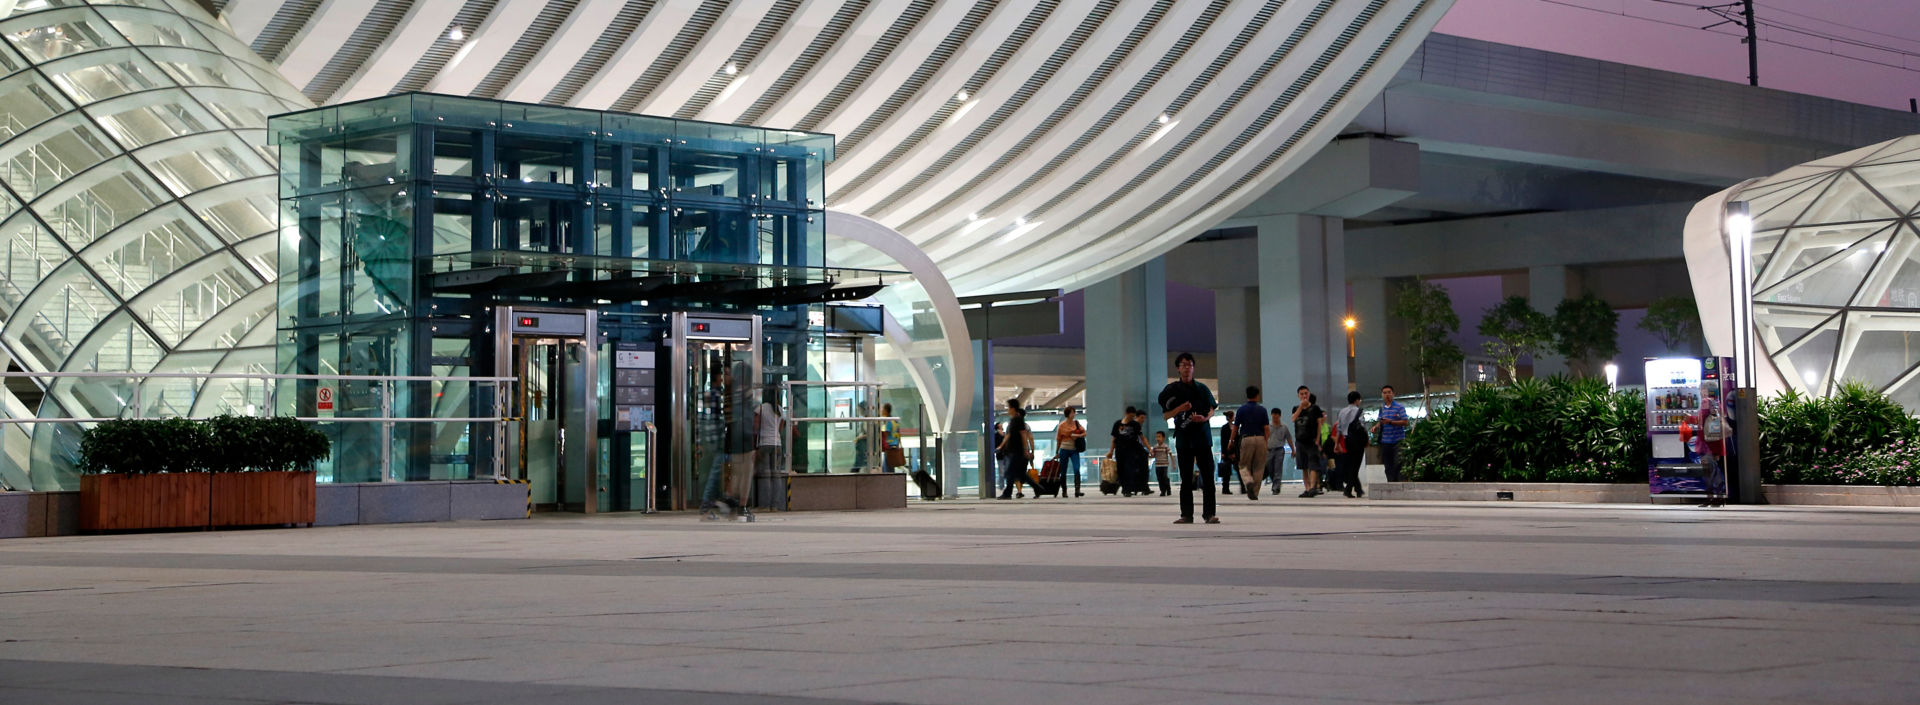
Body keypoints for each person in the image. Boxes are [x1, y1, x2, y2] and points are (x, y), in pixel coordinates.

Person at [1158, 352, 1219, 524]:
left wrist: (1204, 418)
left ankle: (1209, 514)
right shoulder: (1172, 390)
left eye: (1190, 365)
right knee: (1186, 478)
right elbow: (1165, 416)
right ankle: (1186, 514)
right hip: (1184, 439)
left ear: (1193, 368)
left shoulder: (1202, 389)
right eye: (1183, 365)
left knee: (1207, 476)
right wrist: (1180, 408)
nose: (1187, 368)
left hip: (1202, 438)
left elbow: (1212, 408)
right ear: (1178, 368)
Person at [995, 399, 1038, 500]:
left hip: (1018, 451)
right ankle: (1037, 488)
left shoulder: (1018, 420)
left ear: (1013, 408)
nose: (1008, 410)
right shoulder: (1013, 420)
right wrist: (1001, 446)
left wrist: (1026, 450)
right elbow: (1008, 435)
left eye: (1008, 407)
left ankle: (1007, 493)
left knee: (1010, 473)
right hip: (1013, 451)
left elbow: (1024, 435)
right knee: (1019, 474)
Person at [1234, 387, 1270, 500]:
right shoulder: (1262, 410)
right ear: (1257, 395)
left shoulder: (1241, 410)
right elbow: (1267, 429)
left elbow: (1235, 428)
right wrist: (1265, 442)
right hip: (1260, 438)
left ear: (1247, 395)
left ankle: (1248, 481)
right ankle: (1254, 492)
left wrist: (1231, 441)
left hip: (1246, 438)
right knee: (1259, 467)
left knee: (1243, 465)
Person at [1692, 391, 1728, 507]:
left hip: (1706, 443)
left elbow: (1701, 421)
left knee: (1708, 472)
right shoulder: (1718, 404)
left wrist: (1690, 419)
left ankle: (1712, 497)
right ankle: (1718, 497)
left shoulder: (1706, 402)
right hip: (1715, 442)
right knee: (1713, 470)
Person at [1291, 385, 1326, 498]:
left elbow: (1319, 424)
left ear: (1309, 394)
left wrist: (1317, 439)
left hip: (1311, 441)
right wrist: (1300, 408)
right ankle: (1307, 488)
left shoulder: (1315, 408)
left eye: (1306, 393)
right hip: (1300, 440)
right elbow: (1293, 419)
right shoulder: (1296, 408)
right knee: (1303, 466)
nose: (1304, 396)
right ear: (1298, 395)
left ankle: (1312, 488)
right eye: (1302, 394)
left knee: (1313, 465)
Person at [1107, 406, 1150, 496]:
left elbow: (1142, 438)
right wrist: (1111, 451)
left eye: (1133, 417)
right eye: (1130, 416)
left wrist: (1149, 448)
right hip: (1119, 450)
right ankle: (1124, 488)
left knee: (1129, 469)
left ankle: (1128, 489)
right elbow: (1114, 439)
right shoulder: (1117, 424)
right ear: (1126, 414)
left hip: (1131, 450)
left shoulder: (1135, 425)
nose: (1131, 418)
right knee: (1121, 469)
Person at [1373, 385, 1410, 482]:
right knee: (1387, 465)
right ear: (1382, 395)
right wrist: (1376, 427)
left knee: (1398, 463)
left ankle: (1399, 483)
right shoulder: (1382, 409)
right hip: (1385, 441)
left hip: (1398, 440)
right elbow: (1381, 421)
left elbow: (1405, 422)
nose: (1387, 395)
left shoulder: (1399, 407)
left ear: (1393, 394)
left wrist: (1391, 422)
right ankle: (1391, 483)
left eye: (1389, 392)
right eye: (1384, 393)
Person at [1334, 391, 1367, 498]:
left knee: (1352, 465)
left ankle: (1358, 489)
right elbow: (1362, 426)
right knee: (1355, 466)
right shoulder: (1359, 411)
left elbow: (1338, 429)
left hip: (1347, 440)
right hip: (1357, 441)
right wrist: (1367, 440)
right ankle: (1348, 490)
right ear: (1357, 400)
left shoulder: (1341, 412)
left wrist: (1336, 443)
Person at [1055, 406, 1088, 497]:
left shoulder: (1076, 423)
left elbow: (1084, 433)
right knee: (1063, 470)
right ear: (1068, 414)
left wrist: (1078, 435)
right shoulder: (1062, 425)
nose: (1074, 414)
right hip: (1064, 449)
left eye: (1074, 412)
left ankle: (1077, 490)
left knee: (1077, 469)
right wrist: (1057, 452)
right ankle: (1064, 491)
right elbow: (1058, 439)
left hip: (1074, 449)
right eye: (1073, 412)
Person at [1266, 407, 1295, 496]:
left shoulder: (1284, 427)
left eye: (1276, 416)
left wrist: (1293, 450)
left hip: (1279, 450)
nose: (1274, 418)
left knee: (1278, 468)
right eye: (1273, 416)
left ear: (1279, 416)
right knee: (1270, 468)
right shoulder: (1268, 426)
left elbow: (1289, 439)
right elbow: (1264, 438)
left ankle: (1276, 487)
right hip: (1269, 450)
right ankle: (1275, 483)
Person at [1218, 410, 1238, 495]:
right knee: (1226, 471)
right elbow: (1223, 441)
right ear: (1230, 417)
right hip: (1227, 451)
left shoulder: (1235, 427)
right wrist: (1223, 453)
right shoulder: (1224, 428)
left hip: (1235, 451)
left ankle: (1244, 487)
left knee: (1239, 468)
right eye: (1233, 416)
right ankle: (1225, 488)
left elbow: (1237, 439)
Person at [1150, 432, 1172, 496]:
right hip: (1158, 465)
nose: (1157, 438)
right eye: (1156, 437)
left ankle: (1168, 489)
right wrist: (1150, 455)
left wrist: (1173, 463)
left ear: (1163, 438)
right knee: (1159, 478)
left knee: (1164, 477)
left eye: (1159, 437)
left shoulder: (1165, 446)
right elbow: (1153, 455)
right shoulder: (1155, 447)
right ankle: (1162, 491)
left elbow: (1170, 453)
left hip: (1164, 465)